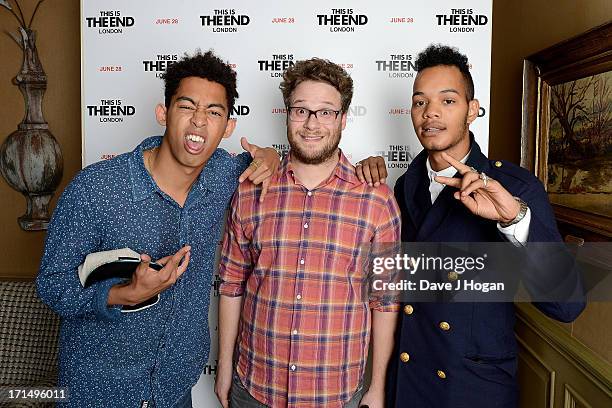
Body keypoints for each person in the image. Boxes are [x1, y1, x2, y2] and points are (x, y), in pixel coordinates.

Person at [37, 50, 282, 408]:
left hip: (172, 390)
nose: (199, 121)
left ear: (228, 127)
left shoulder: (226, 174)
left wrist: (271, 154)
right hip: (99, 391)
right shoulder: (96, 188)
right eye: (187, 107)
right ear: (163, 113)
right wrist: (123, 294)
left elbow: (275, 160)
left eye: (214, 112)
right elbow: (52, 284)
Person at [360, 44, 585, 408]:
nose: (430, 112)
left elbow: (566, 305)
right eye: (420, 102)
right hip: (410, 383)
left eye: (448, 101)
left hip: (472, 389)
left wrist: (514, 220)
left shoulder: (516, 187)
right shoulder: (406, 184)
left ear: (473, 111)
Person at [215, 58, 401, 408]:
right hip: (254, 388)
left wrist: (377, 387)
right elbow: (230, 284)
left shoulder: (376, 200)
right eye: (301, 110)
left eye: (326, 112)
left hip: (336, 394)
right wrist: (224, 367)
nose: (312, 123)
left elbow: (385, 302)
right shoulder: (252, 189)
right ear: (287, 115)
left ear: (343, 119)